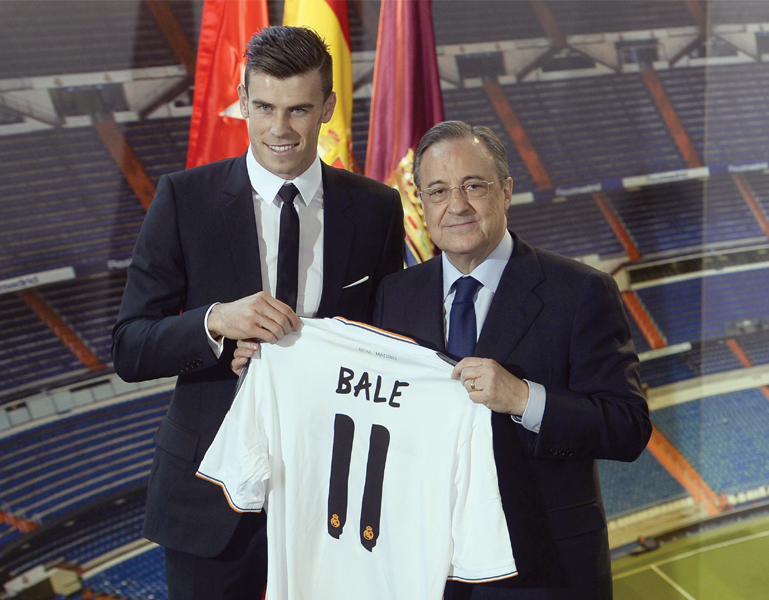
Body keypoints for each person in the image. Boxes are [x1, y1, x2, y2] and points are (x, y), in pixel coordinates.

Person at [111, 26, 404, 600]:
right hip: (209, 502)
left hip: (332, 499)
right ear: (242, 101)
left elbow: (388, 340)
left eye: (298, 109)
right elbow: (129, 346)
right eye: (264, 106)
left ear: (328, 108)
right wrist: (215, 322)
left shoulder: (375, 208)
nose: (279, 128)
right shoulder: (182, 200)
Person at [372, 121, 651, 600]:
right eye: (438, 190)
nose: (456, 205)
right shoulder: (394, 296)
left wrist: (524, 399)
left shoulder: (580, 291)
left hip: (542, 570)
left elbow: (628, 428)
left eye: (473, 186)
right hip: (425, 567)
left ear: (506, 191)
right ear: (421, 203)